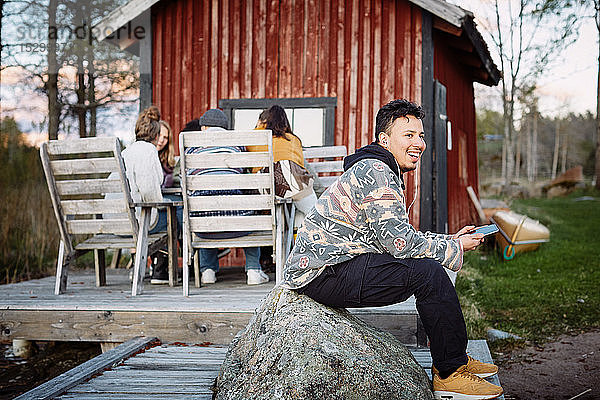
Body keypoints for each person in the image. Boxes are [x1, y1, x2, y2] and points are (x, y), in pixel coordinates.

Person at [283, 99, 504, 400]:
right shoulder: (377, 172)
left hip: (334, 265)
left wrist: (450, 238)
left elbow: (396, 235)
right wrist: (453, 246)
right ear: (384, 140)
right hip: (322, 273)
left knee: (426, 267)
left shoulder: (378, 167)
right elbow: (398, 244)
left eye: (421, 135)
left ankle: (456, 359)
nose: (419, 143)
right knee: (428, 273)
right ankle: (450, 374)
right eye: (408, 135)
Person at [185, 108, 270, 286]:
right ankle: (253, 270)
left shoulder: (191, 148)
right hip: (239, 223)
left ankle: (207, 271)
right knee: (252, 206)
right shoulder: (237, 145)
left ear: (203, 128)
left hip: (203, 227)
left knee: (202, 206)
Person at [148, 119, 183, 284]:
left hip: (159, 205)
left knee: (175, 208)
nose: (161, 140)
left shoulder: (167, 162)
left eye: (165, 137)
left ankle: (161, 268)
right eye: (159, 135)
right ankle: (161, 268)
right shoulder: (146, 157)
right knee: (175, 213)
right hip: (147, 210)